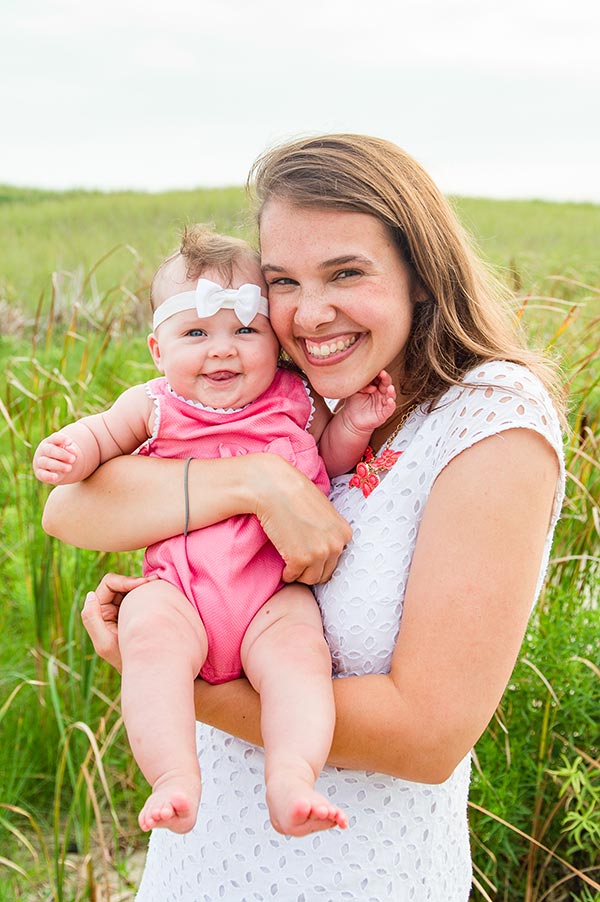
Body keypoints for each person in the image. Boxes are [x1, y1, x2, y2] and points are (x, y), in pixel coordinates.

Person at [42, 134, 566, 901]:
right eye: (283, 280)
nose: (310, 313)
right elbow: (70, 509)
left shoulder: (490, 423)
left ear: (421, 274)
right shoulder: (309, 387)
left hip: (353, 874)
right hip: (203, 860)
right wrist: (254, 483)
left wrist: (168, 676)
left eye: (346, 272)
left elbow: (426, 735)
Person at [33, 225, 397, 837]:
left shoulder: (297, 399)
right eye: (196, 333)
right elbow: (100, 440)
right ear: (157, 349)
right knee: (148, 635)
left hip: (270, 597)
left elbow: (327, 468)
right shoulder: (153, 405)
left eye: (245, 330)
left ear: (275, 342)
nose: (222, 350)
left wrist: (353, 428)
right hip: (182, 591)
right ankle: (173, 776)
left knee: (301, 658)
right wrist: (71, 449)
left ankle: (292, 774)